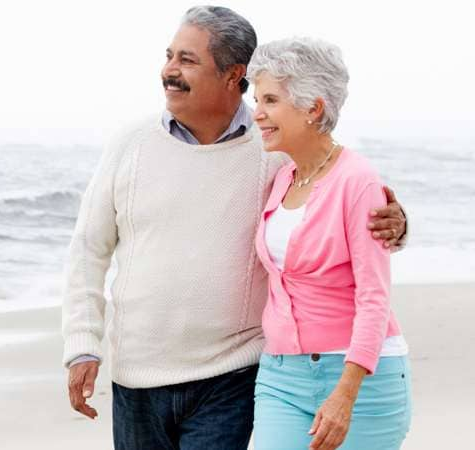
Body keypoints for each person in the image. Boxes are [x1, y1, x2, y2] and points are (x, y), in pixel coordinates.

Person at [61, 6, 409, 449]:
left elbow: (335, 188)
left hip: (233, 375)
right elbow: (88, 249)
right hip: (136, 376)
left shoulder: (275, 150)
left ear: (234, 75)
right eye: (169, 56)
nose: (169, 70)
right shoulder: (130, 143)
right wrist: (82, 343)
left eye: (187, 60)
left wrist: (396, 224)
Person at [248, 37, 412, 450]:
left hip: (361, 381)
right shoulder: (283, 177)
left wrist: (345, 393)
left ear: (312, 108)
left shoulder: (358, 181)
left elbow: (374, 298)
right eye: (257, 99)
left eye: (270, 100)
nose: (258, 113)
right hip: (281, 376)